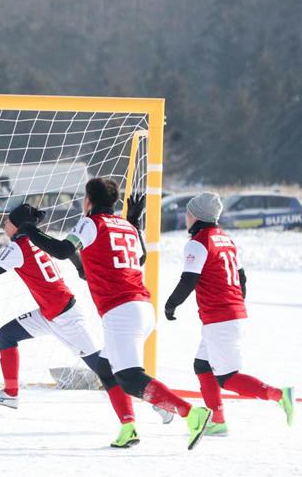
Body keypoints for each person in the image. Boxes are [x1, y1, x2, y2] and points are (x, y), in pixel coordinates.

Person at [16, 177, 212, 450]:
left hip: (122, 311)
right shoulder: (127, 227)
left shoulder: (90, 223)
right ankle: (128, 426)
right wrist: (134, 222)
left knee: (130, 379)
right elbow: (140, 257)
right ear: (115, 201)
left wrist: (30, 230)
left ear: (88, 200)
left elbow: (62, 250)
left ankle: (192, 413)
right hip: (140, 307)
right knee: (106, 369)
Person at [0, 203, 144, 437]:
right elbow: (71, 254)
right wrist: (79, 268)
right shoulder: (40, 239)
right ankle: (11, 394)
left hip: (66, 318)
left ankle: (150, 397)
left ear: (17, 225)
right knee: (7, 335)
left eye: (7, 221)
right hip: (48, 313)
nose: (4, 224)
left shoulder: (18, 248)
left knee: (102, 368)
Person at [164, 192, 295, 435]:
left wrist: (171, 304)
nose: (186, 216)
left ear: (197, 216)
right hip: (228, 315)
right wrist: (233, 305)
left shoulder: (199, 242)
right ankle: (217, 420)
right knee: (202, 365)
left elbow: (189, 279)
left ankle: (279, 394)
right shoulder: (226, 239)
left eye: (189, 212)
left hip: (220, 318)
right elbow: (242, 279)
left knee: (227, 377)